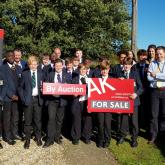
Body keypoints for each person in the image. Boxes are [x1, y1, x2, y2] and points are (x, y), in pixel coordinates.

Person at [116, 58, 143, 148]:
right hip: (124, 102)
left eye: (128, 64)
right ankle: (122, 136)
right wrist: (118, 82)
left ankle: (134, 139)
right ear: (123, 65)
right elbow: (115, 89)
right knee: (124, 120)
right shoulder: (120, 74)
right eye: (125, 64)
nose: (126, 66)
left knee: (134, 121)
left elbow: (141, 88)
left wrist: (136, 94)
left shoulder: (135, 74)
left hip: (134, 101)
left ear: (131, 65)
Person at [19, 55, 43, 149]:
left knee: (38, 121)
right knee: (27, 122)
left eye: (35, 64)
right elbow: (20, 87)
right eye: (31, 64)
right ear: (29, 65)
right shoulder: (25, 74)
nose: (33, 66)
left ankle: (38, 138)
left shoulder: (41, 74)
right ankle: (27, 140)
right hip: (28, 100)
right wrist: (23, 98)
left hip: (38, 100)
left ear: (37, 64)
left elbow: (45, 86)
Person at [43, 59, 68, 148]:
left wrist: (66, 87)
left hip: (62, 101)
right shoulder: (50, 75)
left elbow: (71, 88)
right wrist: (49, 92)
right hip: (51, 101)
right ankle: (49, 139)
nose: (58, 67)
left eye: (59, 66)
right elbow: (45, 87)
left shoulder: (67, 75)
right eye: (56, 66)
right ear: (54, 66)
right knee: (51, 119)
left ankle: (57, 137)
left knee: (59, 120)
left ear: (62, 66)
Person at [1, 51, 22, 145]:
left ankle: (14, 133)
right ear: (6, 57)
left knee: (15, 117)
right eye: (9, 56)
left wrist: (19, 95)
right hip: (7, 97)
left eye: (12, 55)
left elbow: (20, 83)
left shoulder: (18, 68)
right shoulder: (2, 68)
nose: (11, 57)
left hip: (17, 97)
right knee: (7, 118)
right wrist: (11, 95)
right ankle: (7, 136)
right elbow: (3, 84)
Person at [71, 64, 92, 145]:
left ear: (87, 70)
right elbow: (70, 90)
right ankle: (76, 137)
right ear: (79, 70)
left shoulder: (90, 80)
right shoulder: (74, 79)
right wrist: (73, 94)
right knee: (76, 120)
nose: (83, 71)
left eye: (84, 69)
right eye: (81, 69)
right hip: (77, 101)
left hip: (87, 101)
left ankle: (86, 137)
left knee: (87, 120)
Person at [147, 46, 165, 144]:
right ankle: (153, 135)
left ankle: (162, 134)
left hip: (164, 90)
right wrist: (161, 77)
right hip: (154, 91)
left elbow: (153, 76)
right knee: (154, 115)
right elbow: (149, 78)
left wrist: (156, 75)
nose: (159, 55)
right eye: (157, 53)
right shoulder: (152, 63)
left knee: (164, 114)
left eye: (161, 53)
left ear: (164, 53)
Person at [95, 61, 113, 148]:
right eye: (102, 69)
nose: (104, 71)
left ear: (109, 69)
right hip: (99, 105)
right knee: (100, 123)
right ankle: (100, 140)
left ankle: (107, 140)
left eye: (106, 69)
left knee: (107, 124)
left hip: (109, 106)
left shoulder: (113, 79)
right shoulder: (96, 79)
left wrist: (121, 81)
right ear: (100, 70)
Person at [135, 49, 150, 132]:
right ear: (138, 56)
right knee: (139, 109)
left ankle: (146, 125)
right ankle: (139, 124)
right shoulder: (134, 66)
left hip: (147, 90)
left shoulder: (149, 66)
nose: (142, 57)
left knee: (146, 109)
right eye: (140, 55)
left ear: (146, 56)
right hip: (137, 91)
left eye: (144, 55)